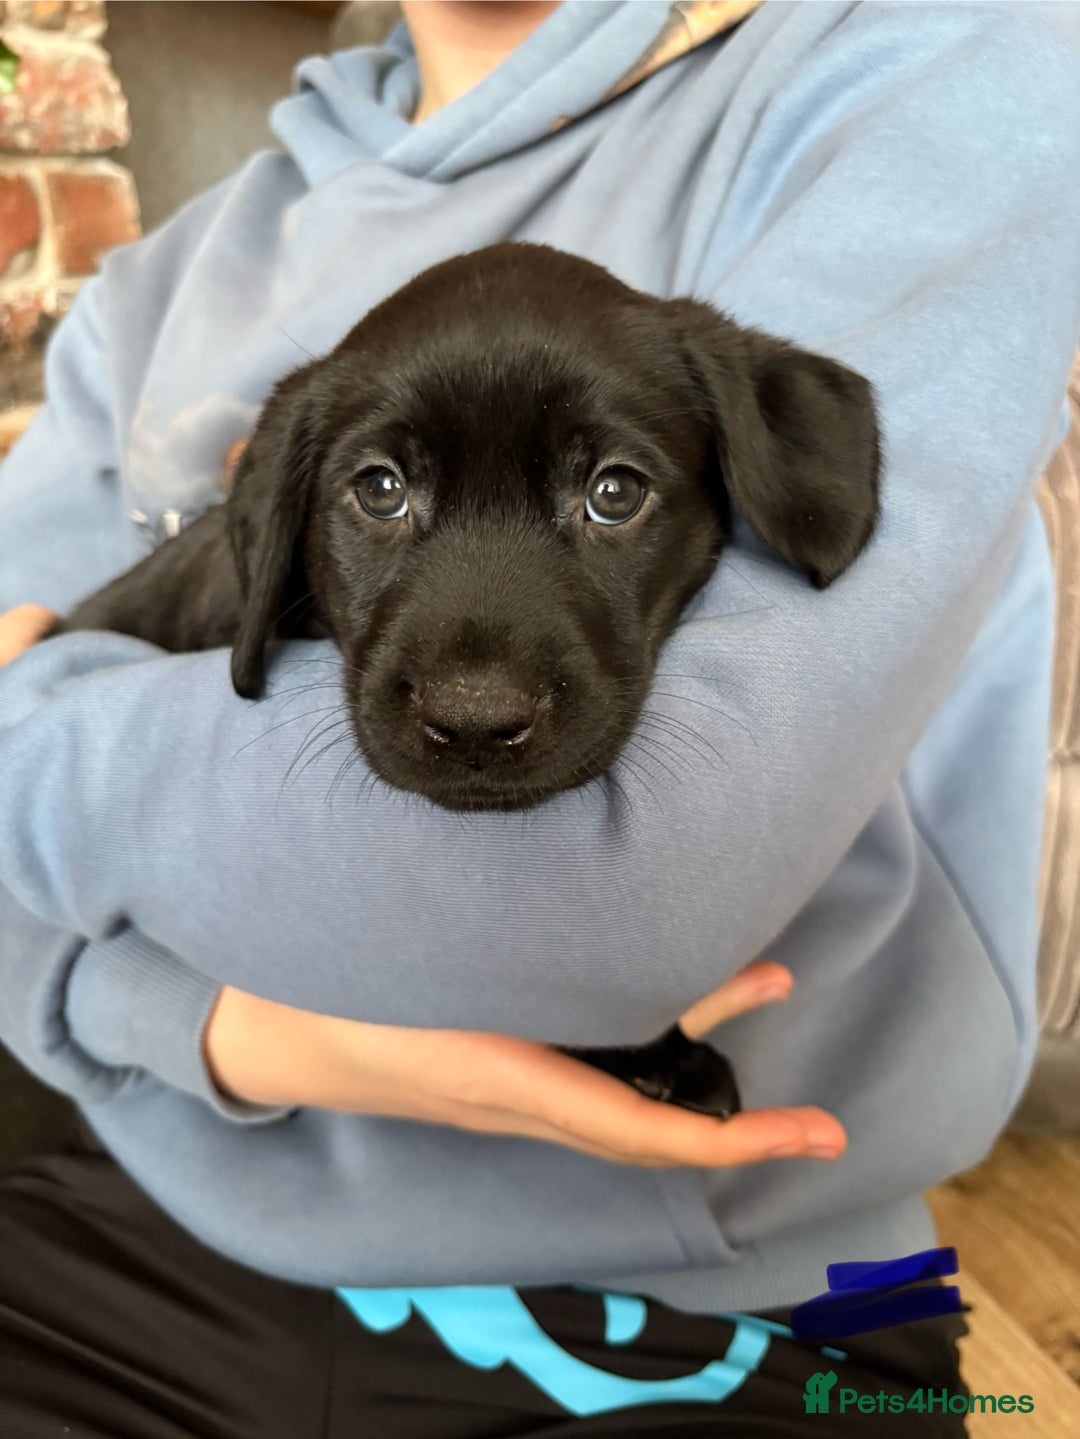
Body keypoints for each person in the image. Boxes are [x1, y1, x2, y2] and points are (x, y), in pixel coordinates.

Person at [0, 1, 1077, 1433]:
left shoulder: (951, 63)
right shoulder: (159, 282)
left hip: (724, 1289)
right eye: (379, 493)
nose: (477, 691)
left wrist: (35, 740)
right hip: (144, 1195)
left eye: (611, 490)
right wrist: (202, 1022)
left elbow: (612, 903)